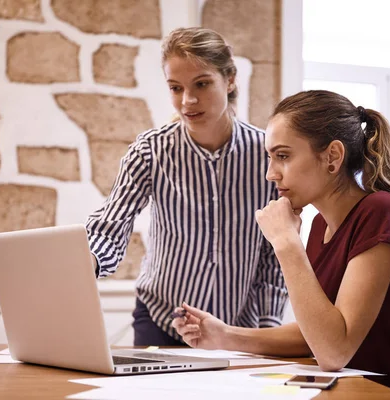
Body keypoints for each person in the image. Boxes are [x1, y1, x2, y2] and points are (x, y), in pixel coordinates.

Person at [172, 90, 390, 400]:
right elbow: (316, 335)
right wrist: (226, 335)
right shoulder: (320, 226)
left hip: (387, 395)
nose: (270, 173)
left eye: (283, 156)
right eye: (270, 157)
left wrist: (285, 243)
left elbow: (333, 351)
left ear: (332, 156)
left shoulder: (381, 212)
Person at [85, 27, 288, 346]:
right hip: (161, 322)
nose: (188, 100)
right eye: (176, 88)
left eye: (202, 84)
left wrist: (266, 328)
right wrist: (85, 263)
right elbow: (111, 227)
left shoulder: (266, 155)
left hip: (237, 329)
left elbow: (273, 252)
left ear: (230, 79)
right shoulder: (150, 151)